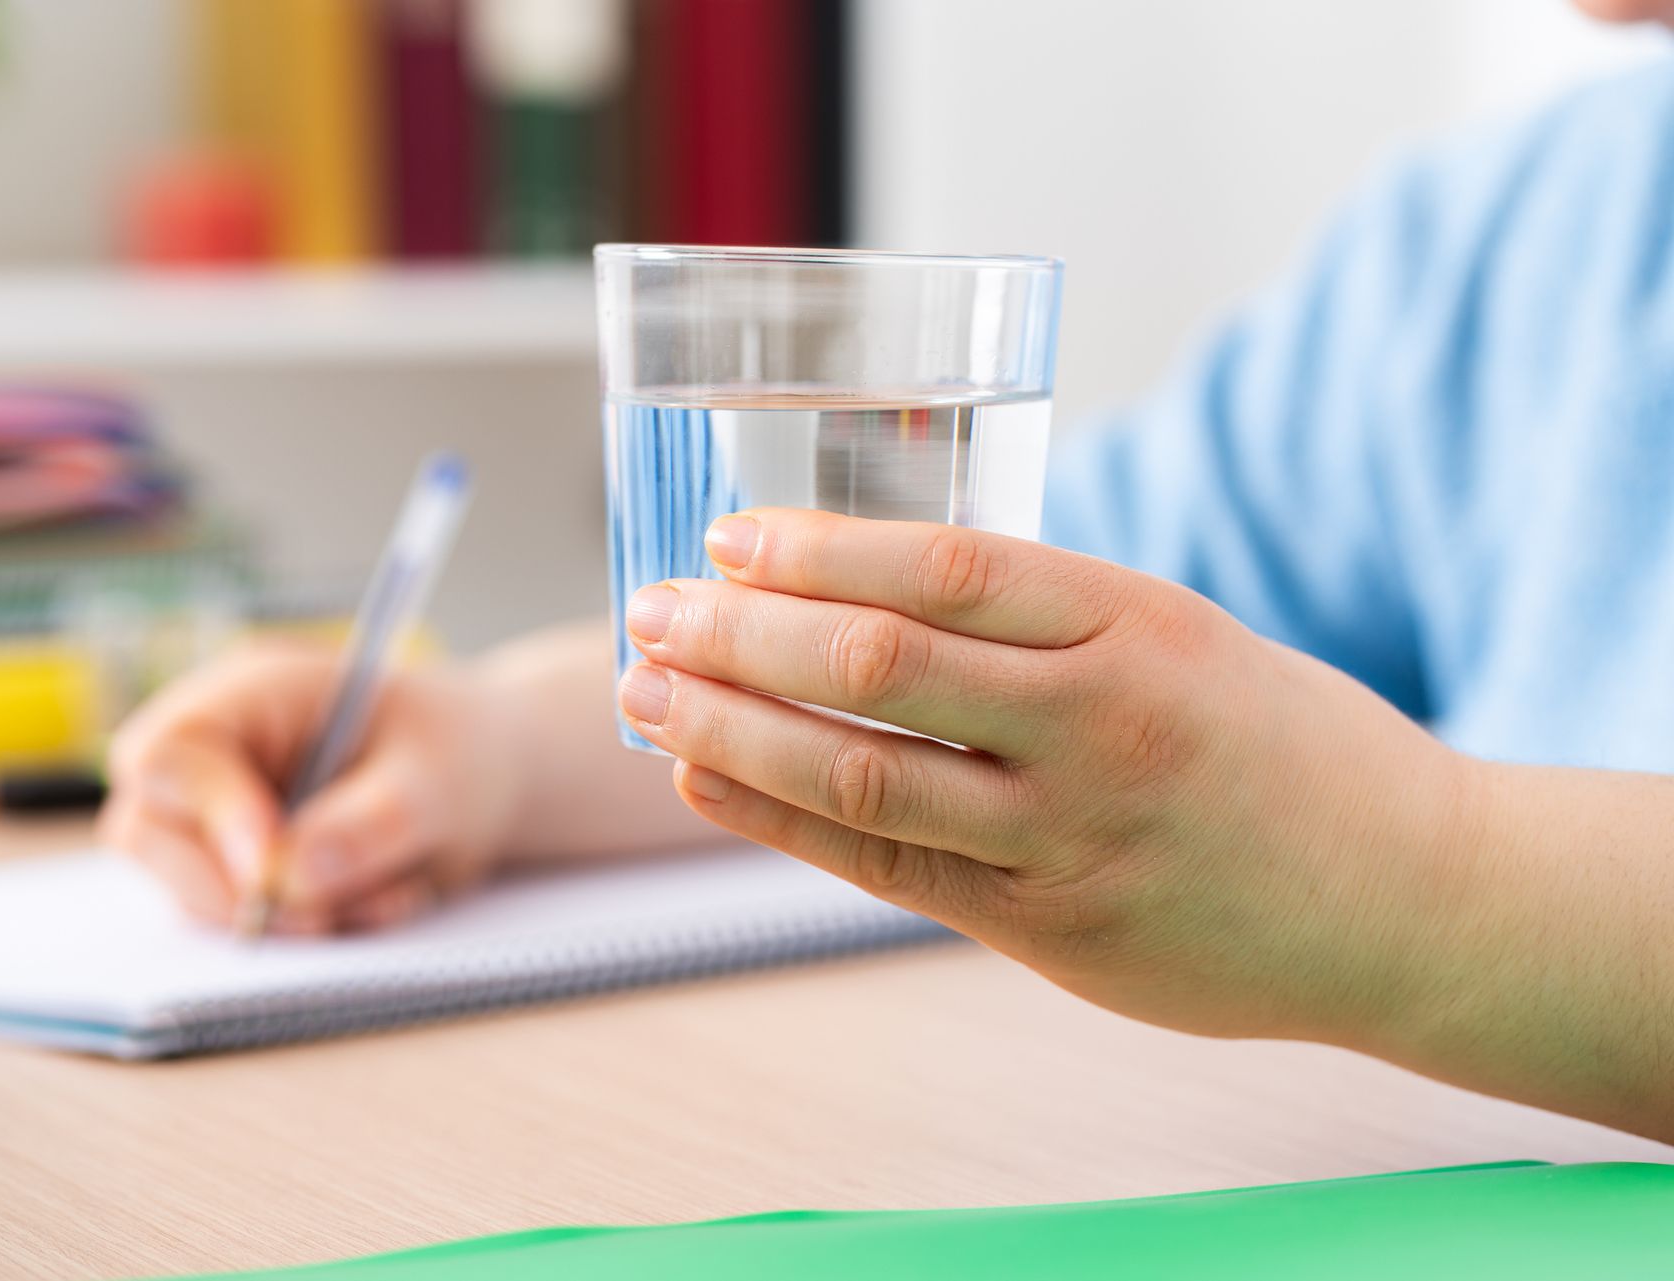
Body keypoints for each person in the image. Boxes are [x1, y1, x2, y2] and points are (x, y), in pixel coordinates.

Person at [101, 7, 1674, 1145]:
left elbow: (1284, 809)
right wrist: (493, 746)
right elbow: (1011, 650)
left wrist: (1409, 882)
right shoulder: (1532, 231)